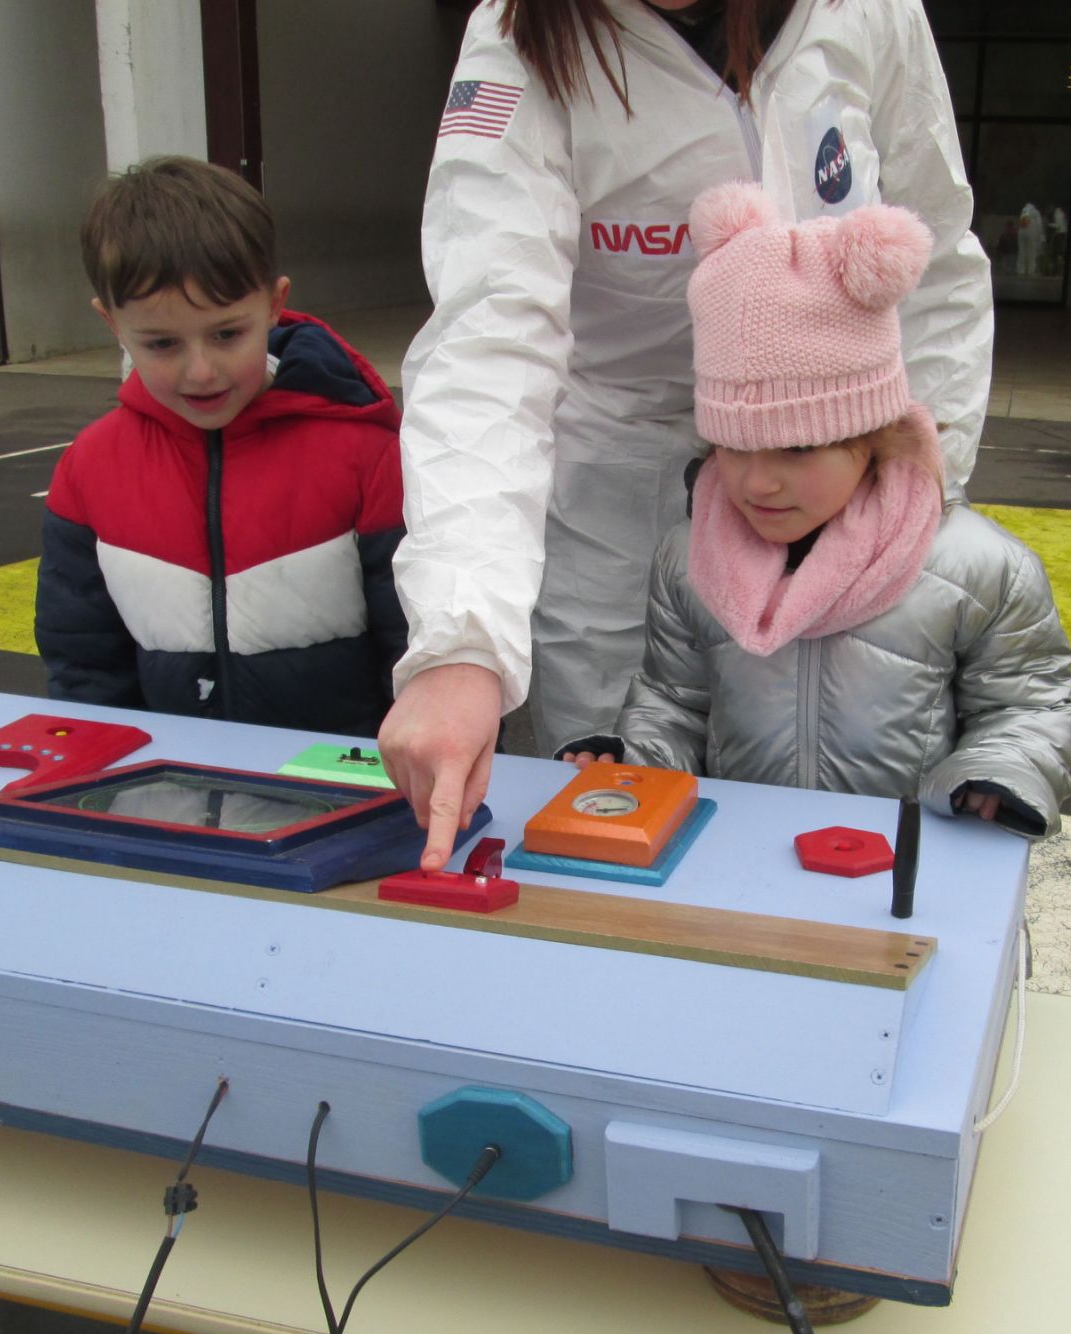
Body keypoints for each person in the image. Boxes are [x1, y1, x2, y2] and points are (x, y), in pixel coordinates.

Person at [382, 0, 993, 867]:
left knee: (836, 805)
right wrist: (461, 641)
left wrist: (919, 492)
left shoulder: (865, 12)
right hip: (615, 493)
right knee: (603, 816)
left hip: (835, 471)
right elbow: (488, 340)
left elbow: (937, 256)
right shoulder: (522, 33)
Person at [561, 185, 1071, 834]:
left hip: (904, 860)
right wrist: (635, 761)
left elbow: (1028, 704)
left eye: (798, 448)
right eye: (733, 447)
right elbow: (673, 702)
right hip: (740, 853)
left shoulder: (977, 568)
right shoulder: (689, 560)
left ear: (872, 435)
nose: (758, 482)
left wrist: (999, 770)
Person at [36, 156, 407, 736]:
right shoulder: (90, 468)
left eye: (227, 333)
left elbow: (419, 653)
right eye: (161, 344)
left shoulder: (369, 456)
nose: (201, 371)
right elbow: (84, 664)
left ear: (275, 304)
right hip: (171, 779)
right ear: (112, 324)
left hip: (347, 780)